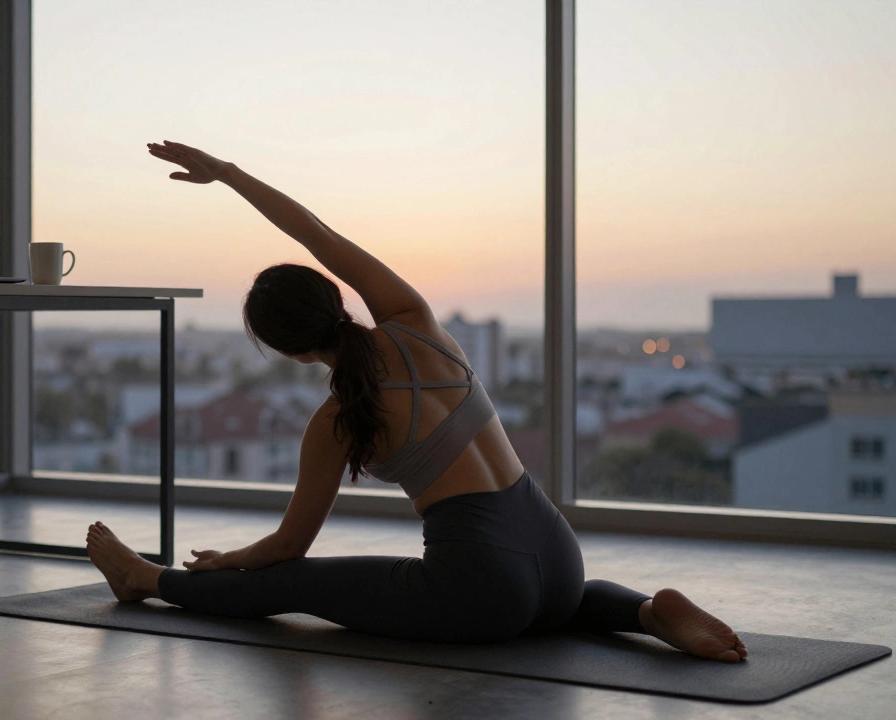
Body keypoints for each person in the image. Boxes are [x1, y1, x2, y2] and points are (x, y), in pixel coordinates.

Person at [85, 140, 747, 662]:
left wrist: (226, 560)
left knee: (295, 586)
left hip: (482, 588)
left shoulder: (336, 420)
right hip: (559, 557)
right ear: (335, 299)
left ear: (288, 351)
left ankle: (147, 580)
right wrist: (228, 173)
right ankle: (645, 614)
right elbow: (320, 234)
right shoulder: (416, 320)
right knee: (558, 602)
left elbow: (287, 548)